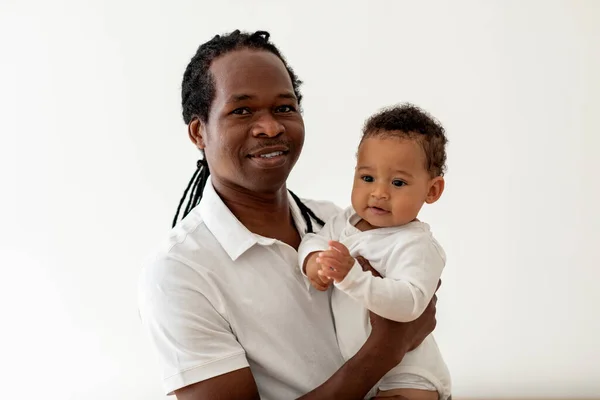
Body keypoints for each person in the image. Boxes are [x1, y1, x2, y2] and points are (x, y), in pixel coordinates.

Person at [138, 30, 441, 400]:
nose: (270, 126)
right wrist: (386, 348)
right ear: (200, 132)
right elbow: (397, 337)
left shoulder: (341, 222)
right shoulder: (180, 272)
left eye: (284, 107)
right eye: (242, 110)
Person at [298, 104, 451, 400]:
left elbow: (410, 304)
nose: (379, 192)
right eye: (367, 178)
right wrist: (314, 262)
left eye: (398, 183)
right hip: (362, 372)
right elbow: (313, 240)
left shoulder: (416, 245)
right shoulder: (345, 221)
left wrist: (353, 278)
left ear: (432, 191)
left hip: (408, 376)